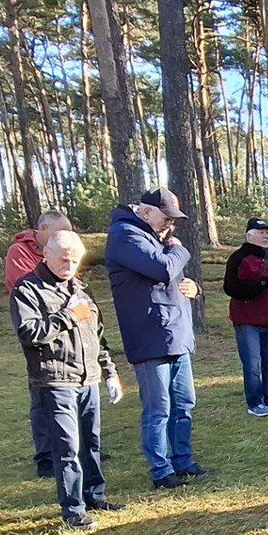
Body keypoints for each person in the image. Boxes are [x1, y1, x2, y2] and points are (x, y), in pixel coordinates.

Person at [10, 227, 124, 532]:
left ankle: (95, 496)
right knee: (67, 448)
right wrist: (67, 316)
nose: (69, 265)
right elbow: (29, 333)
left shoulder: (80, 291)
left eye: (75, 261)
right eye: (63, 259)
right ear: (46, 254)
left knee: (91, 443)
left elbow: (98, 338)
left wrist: (110, 372)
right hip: (55, 380)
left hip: (89, 379)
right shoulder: (28, 290)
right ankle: (74, 510)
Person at [105, 188, 204, 490]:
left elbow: (173, 278)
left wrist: (192, 288)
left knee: (184, 402)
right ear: (146, 212)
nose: (170, 226)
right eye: (166, 218)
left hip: (175, 333)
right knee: (158, 407)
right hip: (150, 337)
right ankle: (161, 471)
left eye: (174, 221)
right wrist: (179, 249)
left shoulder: (154, 237)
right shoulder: (124, 235)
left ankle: (182, 461)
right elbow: (162, 269)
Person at [4, 211, 75, 478]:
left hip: (68, 332)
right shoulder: (19, 252)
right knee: (43, 393)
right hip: (39, 332)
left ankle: (74, 446)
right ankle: (46, 455)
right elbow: (28, 287)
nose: (63, 239)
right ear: (42, 229)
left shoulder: (62, 252)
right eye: (58, 233)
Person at [225, 218, 268, 417]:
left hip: (266, 321)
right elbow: (231, 288)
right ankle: (254, 403)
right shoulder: (238, 257)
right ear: (250, 235)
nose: (266, 236)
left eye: (267, 232)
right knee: (252, 364)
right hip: (246, 321)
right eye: (261, 232)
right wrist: (261, 284)